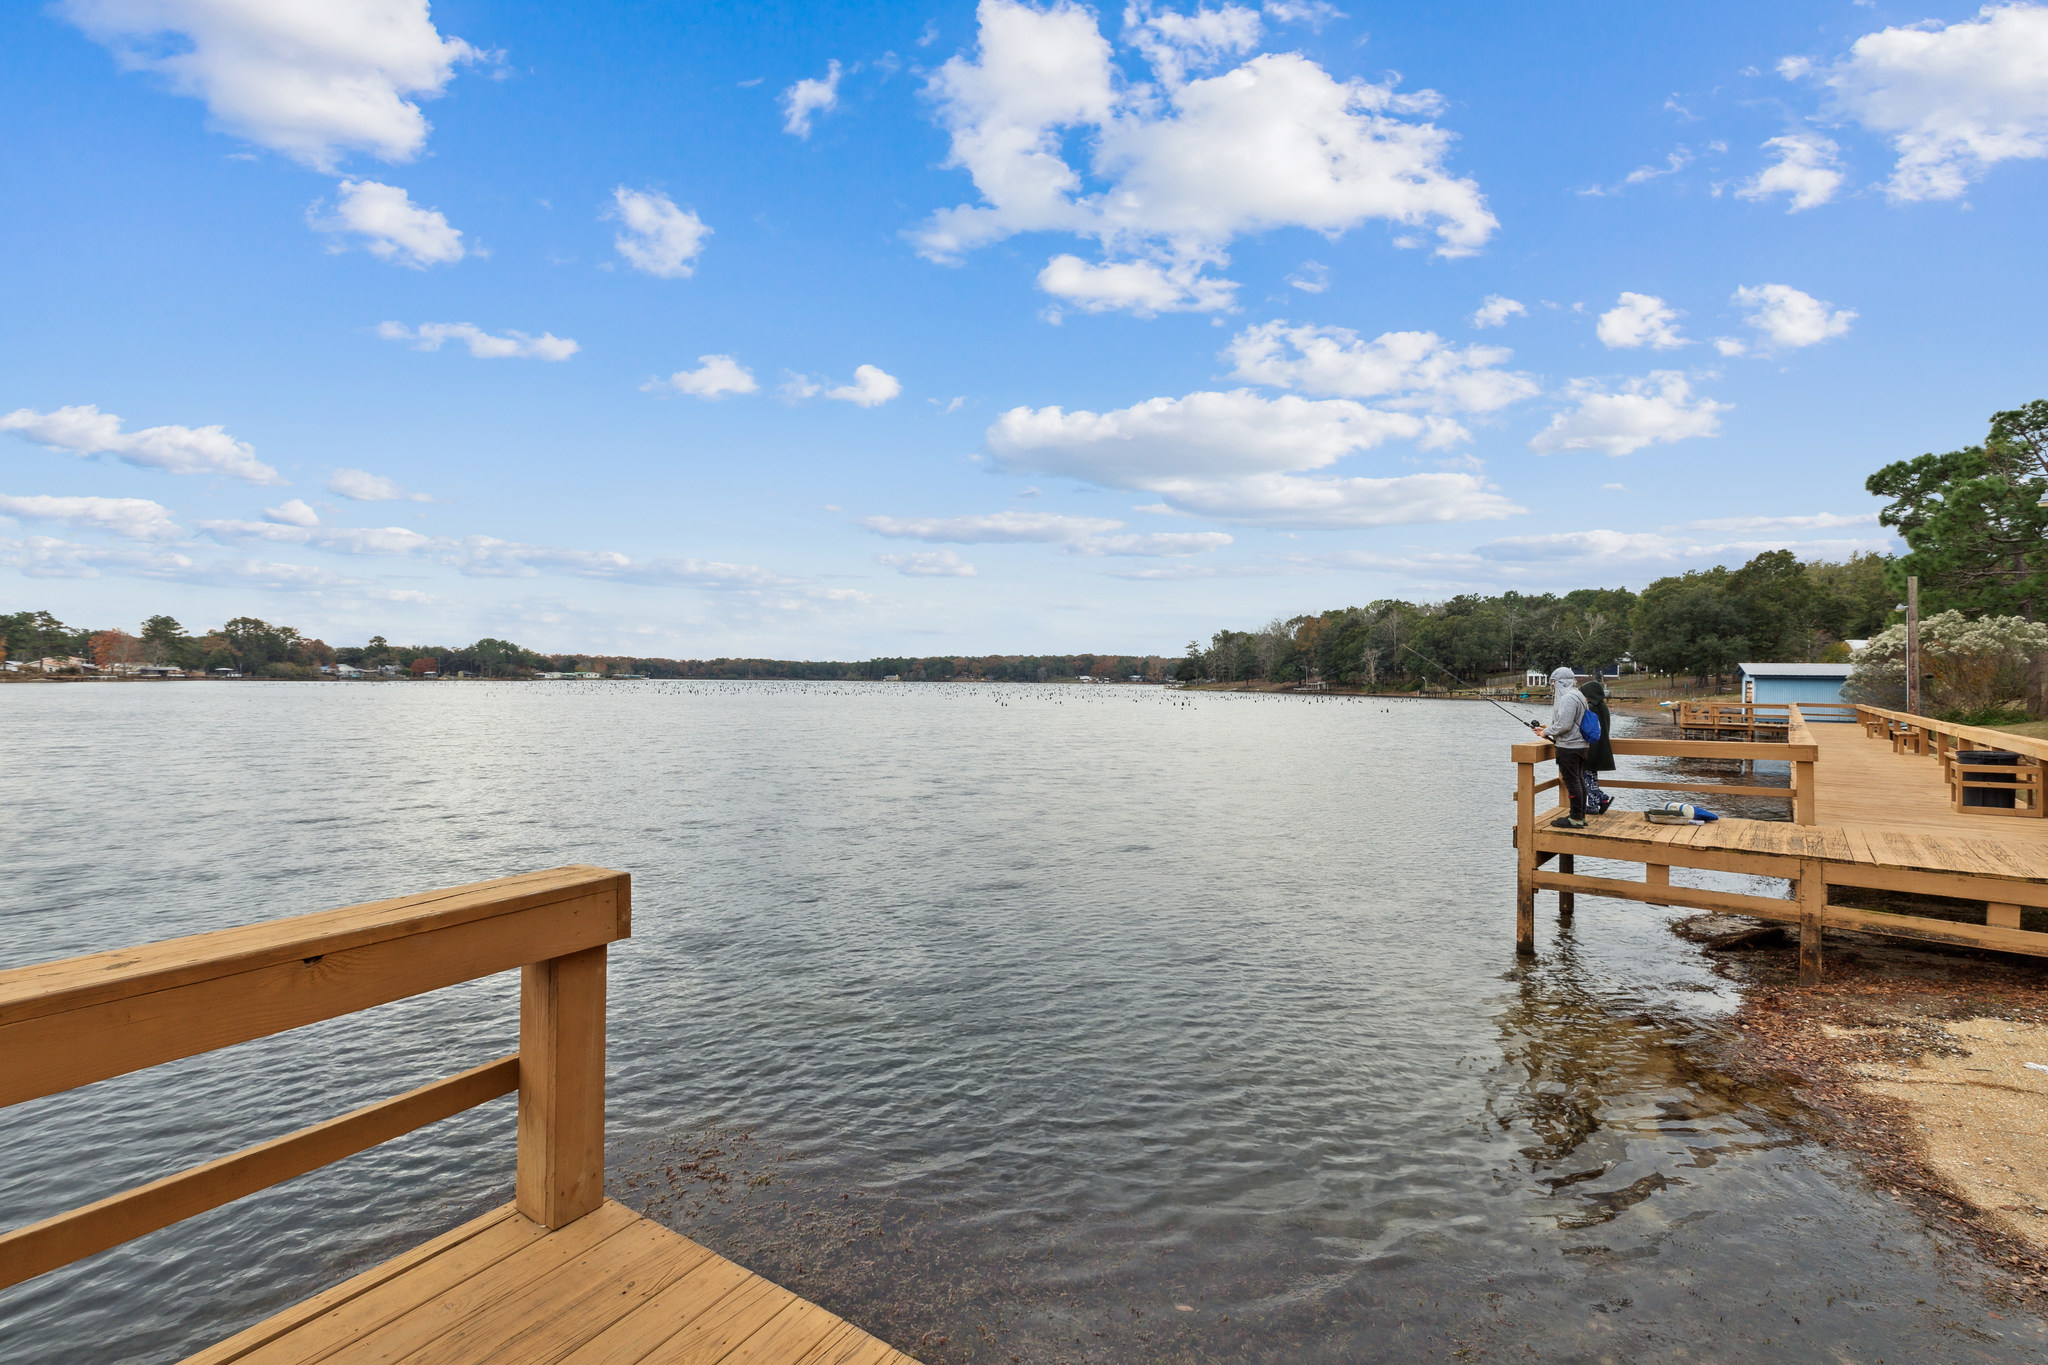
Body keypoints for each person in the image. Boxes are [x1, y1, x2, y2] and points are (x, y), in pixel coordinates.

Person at [1535, 665, 1589, 828]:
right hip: (1580, 745)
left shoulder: (1567, 698)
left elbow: (1564, 725)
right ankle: (1580, 816)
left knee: (1572, 781)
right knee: (1578, 780)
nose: (1552, 686)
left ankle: (1576, 819)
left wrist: (1545, 733)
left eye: (1554, 682)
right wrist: (1547, 730)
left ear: (1561, 682)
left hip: (1569, 747)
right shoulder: (1578, 695)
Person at [1580, 677, 1616, 815]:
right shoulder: (1603, 706)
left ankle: (1596, 802)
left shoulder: (1590, 708)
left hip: (1591, 746)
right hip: (1601, 745)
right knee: (1591, 775)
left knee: (1586, 774)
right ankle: (1600, 799)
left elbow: (1585, 727)